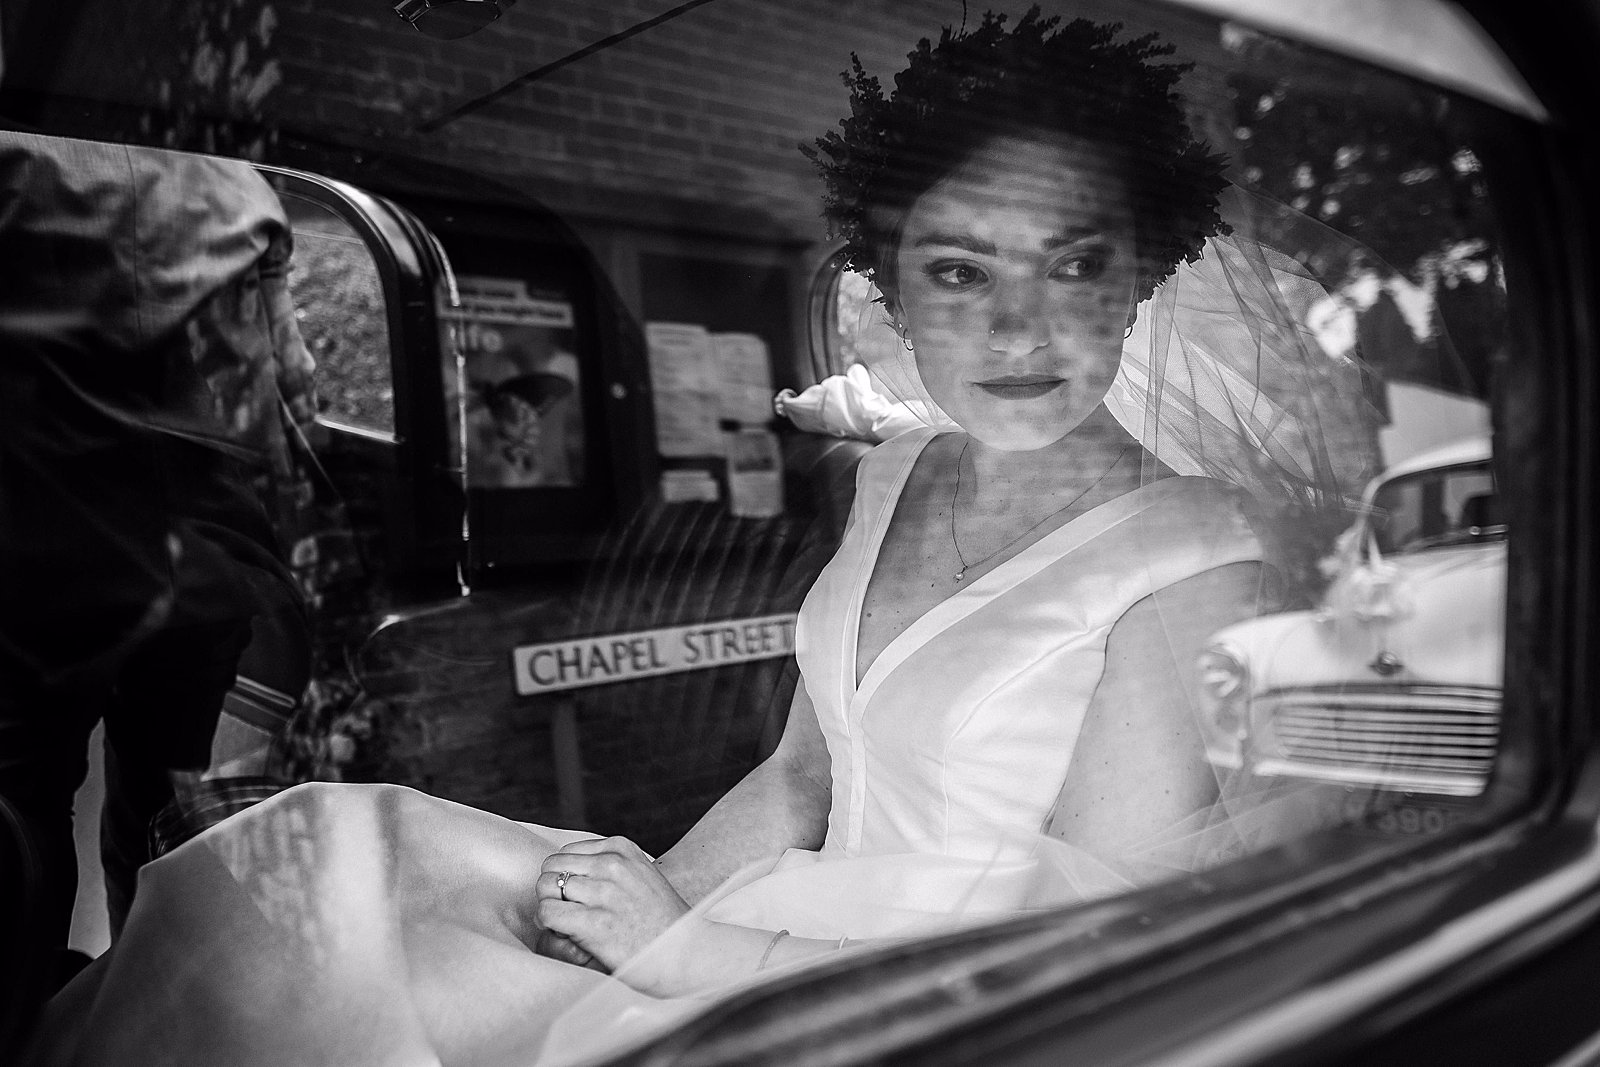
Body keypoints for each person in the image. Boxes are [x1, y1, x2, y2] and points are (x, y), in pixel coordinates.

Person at [23, 12, 1356, 1066]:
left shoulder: (1197, 559)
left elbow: (1094, 950)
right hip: (777, 926)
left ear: (1138, 276)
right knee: (325, 863)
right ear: (893, 290)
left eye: (1075, 264)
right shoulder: (895, 475)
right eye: (961, 270)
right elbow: (800, 777)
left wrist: (686, 951)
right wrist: (627, 909)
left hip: (916, 1010)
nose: (1021, 326)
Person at [0, 133, 314, 995]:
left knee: (26, 802)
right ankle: (156, 1012)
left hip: (40, 556)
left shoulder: (13, 164)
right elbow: (294, 383)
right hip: (207, 558)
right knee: (170, 818)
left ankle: (30, 1016)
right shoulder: (244, 191)